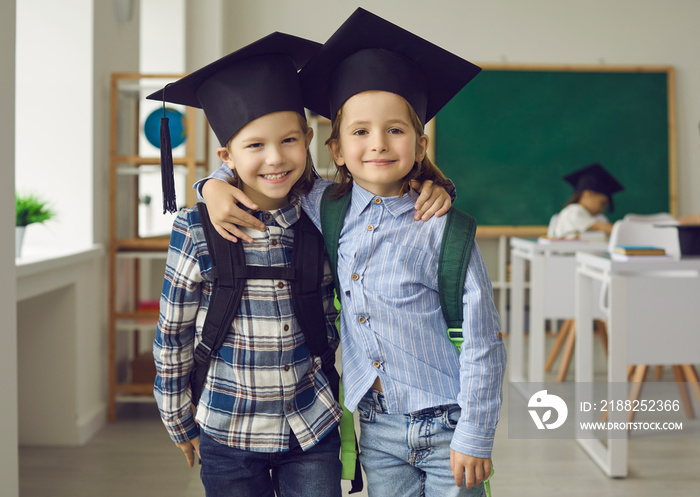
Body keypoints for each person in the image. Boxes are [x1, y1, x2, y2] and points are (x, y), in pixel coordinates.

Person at [198, 9, 506, 497]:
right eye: (360, 132)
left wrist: (476, 433)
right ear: (337, 149)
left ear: (420, 143)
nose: (378, 144)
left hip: (450, 422)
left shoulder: (443, 228)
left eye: (396, 131)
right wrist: (212, 186)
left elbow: (483, 342)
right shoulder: (326, 205)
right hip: (377, 427)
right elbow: (265, 173)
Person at [150, 33, 347, 497]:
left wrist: (438, 188)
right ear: (227, 157)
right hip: (226, 427)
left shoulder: (326, 215)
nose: (275, 157)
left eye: (289, 140)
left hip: (312, 424)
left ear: (308, 139)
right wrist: (178, 418)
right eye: (254, 145)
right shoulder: (196, 228)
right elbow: (172, 332)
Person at [552, 162, 624, 239]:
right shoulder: (573, 211)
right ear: (587, 193)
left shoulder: (598, 217)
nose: (602, 210)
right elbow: (605, 228)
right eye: (602, 203)